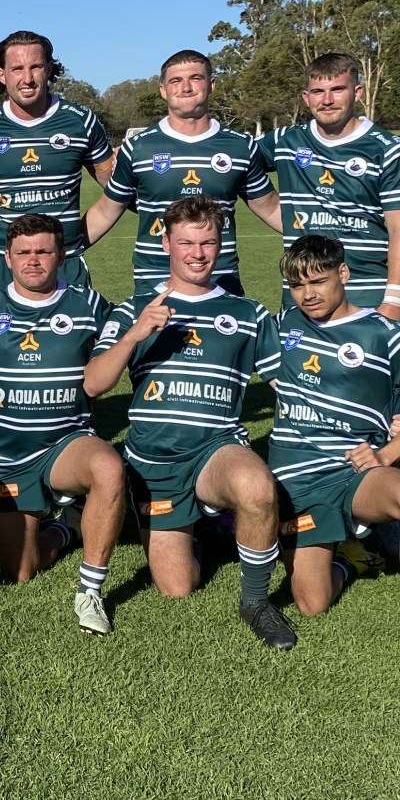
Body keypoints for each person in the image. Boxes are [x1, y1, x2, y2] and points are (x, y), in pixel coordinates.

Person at [84, 196, 296, 650]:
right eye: (186, 243)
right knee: (177, 587)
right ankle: (207, 528)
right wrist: (136, 335)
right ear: (166, 244)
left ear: (221, 244)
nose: (198, 253)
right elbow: (94, 384)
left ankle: (256, 601)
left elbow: (288, 389)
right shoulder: (133, 310)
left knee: (257, 488)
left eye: (208, 242)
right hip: (153, 463)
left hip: (216, 448)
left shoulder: (248, 313)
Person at [0, 213, 126, 634]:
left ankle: (90, 592)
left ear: (62, 255)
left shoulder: (90, 305)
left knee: (108, 466)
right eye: (24, 252)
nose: (34, 260)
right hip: (6, 457)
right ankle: (66, 529)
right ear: (8, 257)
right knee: (19, 570)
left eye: (43, 251)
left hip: (66, 444)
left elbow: (119, 346)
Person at [271, 235, 400, 615]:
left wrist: (387, 453)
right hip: (298, 480)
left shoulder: (384, 333)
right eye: (297, 285)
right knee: (313, 603)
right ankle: (352, 557)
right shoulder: (283, 324)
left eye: (318, 281)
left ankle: (376, 526)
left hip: (356, 472)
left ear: (342, 272)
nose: (307, 294)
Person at [82, 50, 280, 295]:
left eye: (195, 78)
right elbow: (105, 210)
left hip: (220, 279)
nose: (186, 87)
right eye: (175, 81)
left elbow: (271, 208)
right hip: (154, 281)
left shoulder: (240, 146)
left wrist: (334, 237)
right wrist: (62, 250)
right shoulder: (138, 147)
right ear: (163, 90)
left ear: (211, 85)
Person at [0, 32, 115, 291]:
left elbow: (114, 186)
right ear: (1, 74)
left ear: (49, 68)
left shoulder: (80, 120)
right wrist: (1, 219)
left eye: (36, 67)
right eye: (17, 69)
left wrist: (78, 237)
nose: (27, 79)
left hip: (64, 262)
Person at [257, 53, 400, 315]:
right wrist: (279, 214)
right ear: (305, 97)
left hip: (366, 297)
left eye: (337, 90)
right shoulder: (284, 141)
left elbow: (398, 230)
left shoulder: (388, 150)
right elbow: (236, 166)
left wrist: (394, 301)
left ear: (356, 92)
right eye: (318, 92)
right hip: (301, 296)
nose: (327, 100)